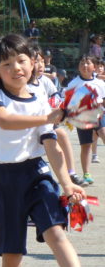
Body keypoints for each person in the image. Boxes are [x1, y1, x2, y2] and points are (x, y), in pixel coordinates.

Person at [0, 34, 85, 267]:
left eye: (21, 60)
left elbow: (51, 144)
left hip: (37, 173)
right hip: (3, 178)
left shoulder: (40, 100)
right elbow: (5, 121)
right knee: (12, 252)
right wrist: (46, 117)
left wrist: (66, 184)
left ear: (33, 62)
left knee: (56, 232)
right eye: (6, 64)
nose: (16, 68)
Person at [28, 49, 84, 186]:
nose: (40, 65)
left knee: (61, 135)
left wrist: (62, 109)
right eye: (36, 62)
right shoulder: (24, 85)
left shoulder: (44, 82)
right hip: (33, 123)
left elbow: (56, 97)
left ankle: (71, 173)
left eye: (42, 61)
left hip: (45, 122)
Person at [65, 55, 105, 185]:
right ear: (78, 67)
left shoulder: (100, 83)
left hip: (99, 115)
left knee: (104, 133)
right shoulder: (73, 84)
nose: (85, 65)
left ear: (94, 67)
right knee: (86, 146)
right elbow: (68, 102)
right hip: (82, 118)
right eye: (82, 63)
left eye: (88, 63)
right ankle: (86, 174)